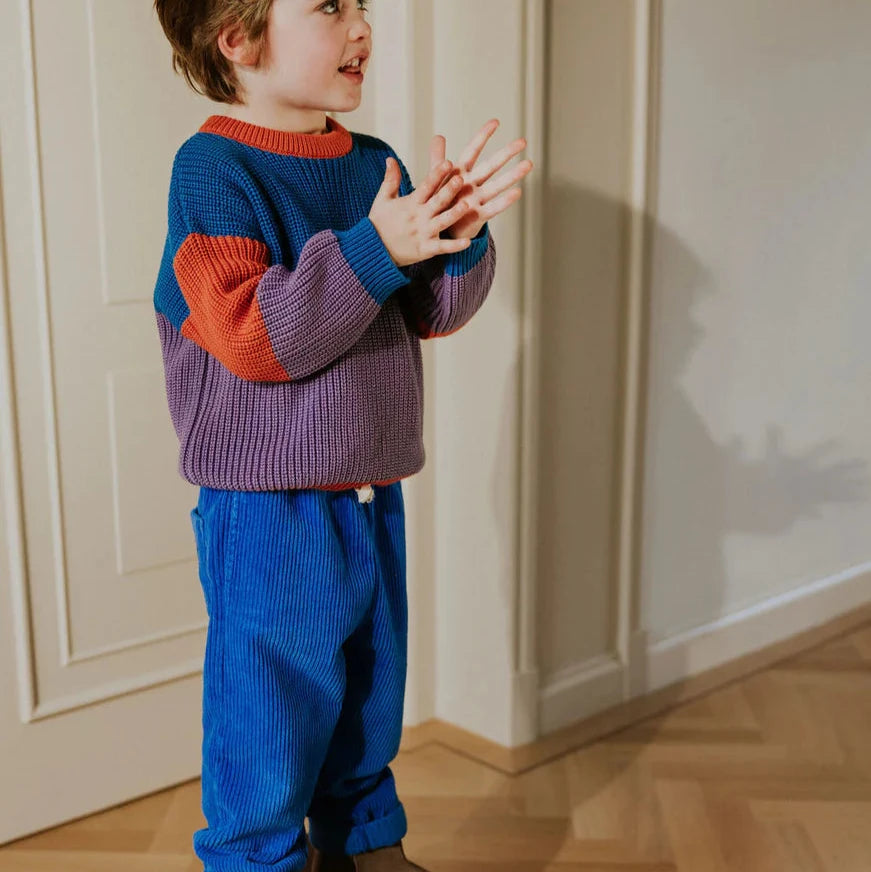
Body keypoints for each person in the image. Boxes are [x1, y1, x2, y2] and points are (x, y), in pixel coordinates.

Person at [152, 1, 532, 869]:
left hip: (369, 488)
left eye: (361, 5)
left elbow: (431, 314)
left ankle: (366, 844)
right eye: (329, 6)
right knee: (270, 711)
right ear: (238, 38)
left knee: (368, 689)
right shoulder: (212, 171)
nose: (362, 26)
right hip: (265, 508)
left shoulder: (374, 164)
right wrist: (375, 246)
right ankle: (258, 859)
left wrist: (457, 242)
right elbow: (253, 337)